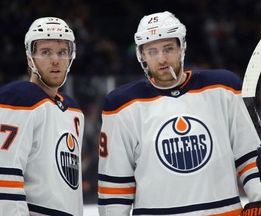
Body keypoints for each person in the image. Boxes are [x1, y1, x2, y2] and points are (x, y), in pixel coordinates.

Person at [97, 11, 261, 216]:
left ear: (182, 46)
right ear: (142, 55)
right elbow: (115, 185)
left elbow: (249, 154)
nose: (162, 58)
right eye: (153, 51)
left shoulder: (223, 88)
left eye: (168, 49)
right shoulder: (122, 105)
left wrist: (258, 200)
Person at [0, 17, 84, 215]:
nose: (55, 60)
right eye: (45, 52)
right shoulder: (18, 98)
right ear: (29, 58)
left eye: (62, 52)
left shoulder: (73, 111)